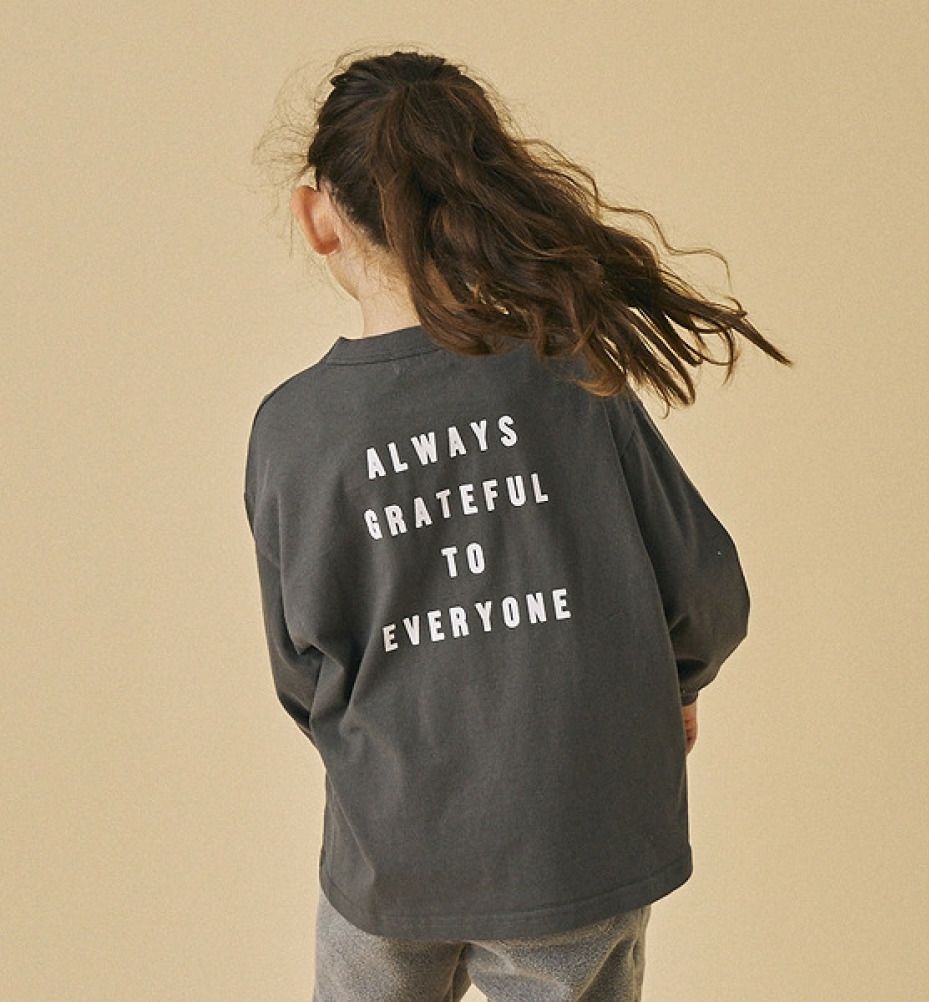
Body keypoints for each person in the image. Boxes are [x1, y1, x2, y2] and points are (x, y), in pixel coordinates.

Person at [244, 46, 793, 1002]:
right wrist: (676, 683)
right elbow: (703, 586)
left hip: (389, 854)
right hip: (573, 840)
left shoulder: (294, 431)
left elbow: (303, 668)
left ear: (317, 215)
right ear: (482, 199)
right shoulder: (569, 373)